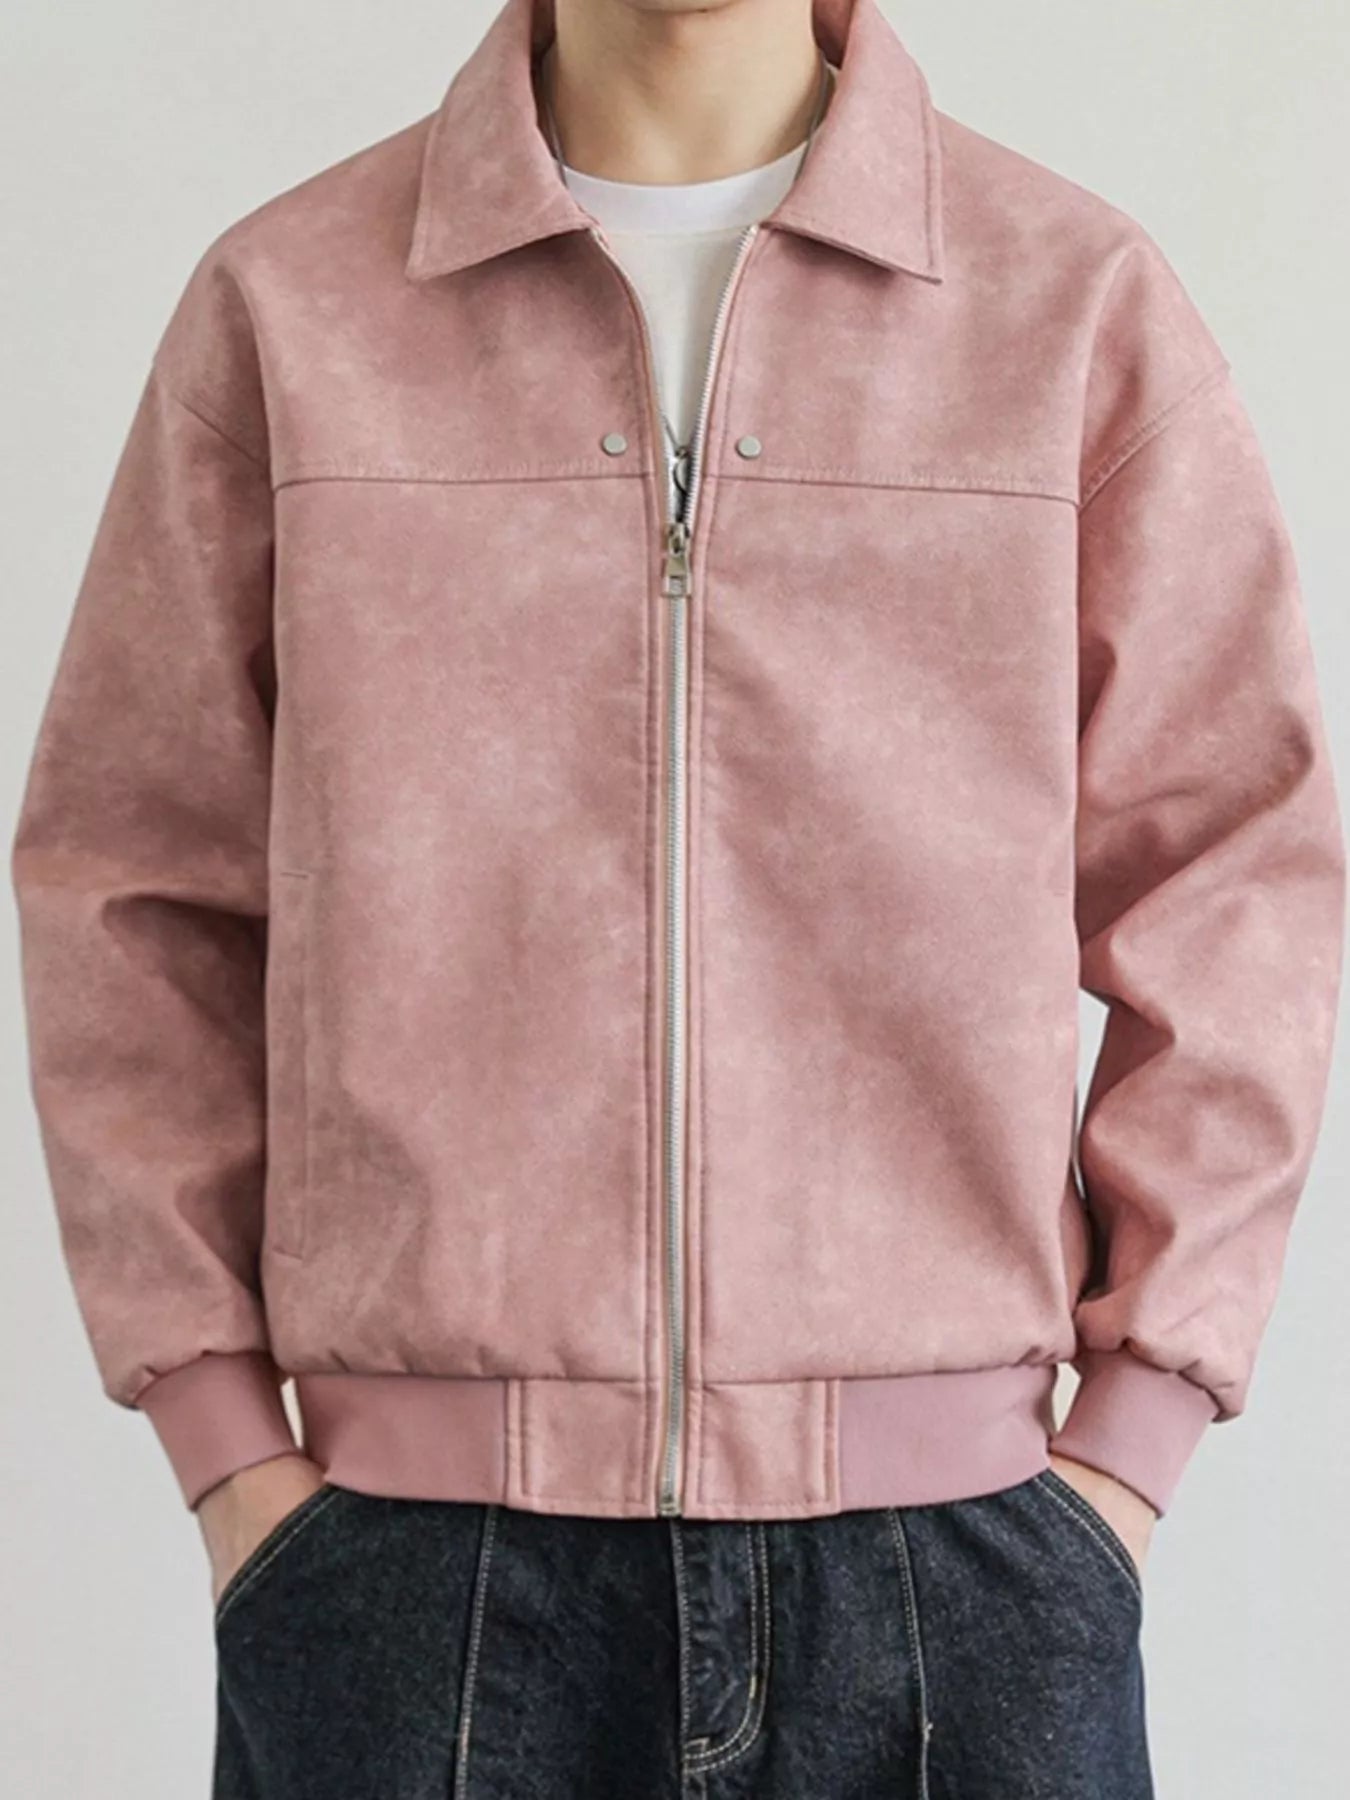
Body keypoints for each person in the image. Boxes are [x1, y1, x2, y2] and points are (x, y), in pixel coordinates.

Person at [12, 0, 1344, 1794]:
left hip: (956, 1571)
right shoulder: (295, 305)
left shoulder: (1067, 303)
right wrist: (228, 1448)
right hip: (409, 1578)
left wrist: (1129, 1442)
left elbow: (1235, 875)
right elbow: (131, 879)